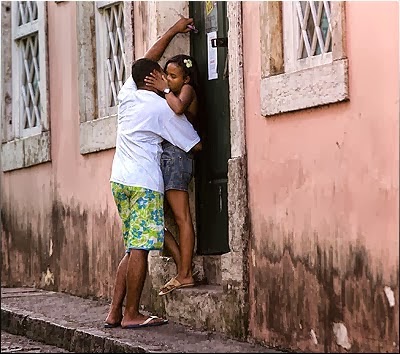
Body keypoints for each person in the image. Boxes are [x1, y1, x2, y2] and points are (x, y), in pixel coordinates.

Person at [104, 57, 201, 329]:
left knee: (132, 247)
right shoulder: (161, 108)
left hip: (120, 180)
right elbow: (194, 144)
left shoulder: (127, 95)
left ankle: (114, 312)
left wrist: (172, 30)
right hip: (144, 183)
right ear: (155, 76)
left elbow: (144, 63)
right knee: (140, 249)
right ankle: (131, 314)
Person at [143, 17, 202, 296]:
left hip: (178, 157)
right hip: (168, 157)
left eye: (173, 76)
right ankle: (183, 270)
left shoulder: (185, 91)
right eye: (166, 75)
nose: (168, 80)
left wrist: (164, 89)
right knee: (166, 220)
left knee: (181, 218)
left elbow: (178, 109)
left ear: (186, 79)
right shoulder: (168, 92)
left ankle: (184, 273)